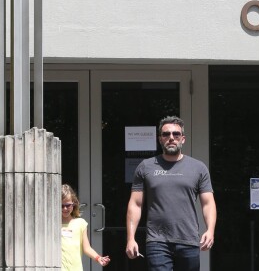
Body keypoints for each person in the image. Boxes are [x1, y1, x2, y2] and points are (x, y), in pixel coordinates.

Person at [125, 116, 217, 271]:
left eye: (176, 134)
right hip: (157, 241)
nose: (171, 138)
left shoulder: (198, 168)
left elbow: (208, 203)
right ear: (160, 139)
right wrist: (130, 238)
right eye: (166, 134)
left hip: (189, 240)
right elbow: (135, 204)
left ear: (183, 139)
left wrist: (210, 230)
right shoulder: (145, 167)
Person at [61, 183, 110, 270]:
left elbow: (86, 248)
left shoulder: (80, 223)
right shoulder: (52, 225)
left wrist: (98, 258)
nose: (65, 208)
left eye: (68, 205)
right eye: (61, 206)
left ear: (73, 203)